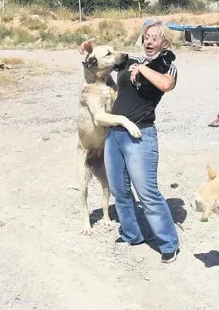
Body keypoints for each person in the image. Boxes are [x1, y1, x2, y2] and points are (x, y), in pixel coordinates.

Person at [83, 20, 180, 263]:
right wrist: (87, 54)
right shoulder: (130, 62)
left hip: (141, 134)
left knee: (147, 192)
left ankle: (169, 244)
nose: (149, 41)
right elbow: (95, 70)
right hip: (114, 133)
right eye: (146, 37)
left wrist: (143, 70)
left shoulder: (166, 65)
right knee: (120, 191)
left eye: (155, 38)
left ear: (164, 42)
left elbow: (167, 85)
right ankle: (132, 234)